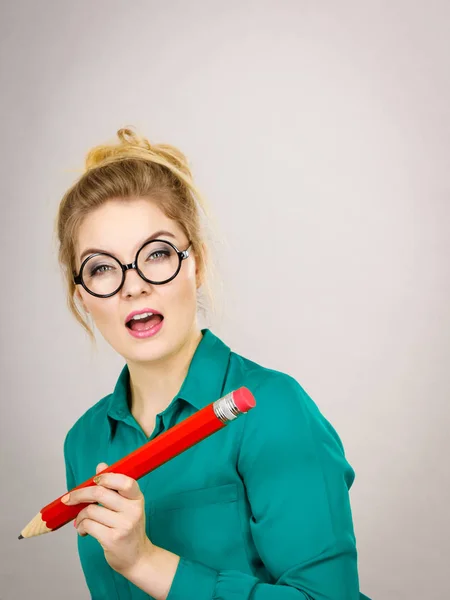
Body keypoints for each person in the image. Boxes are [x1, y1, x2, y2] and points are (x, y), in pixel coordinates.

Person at [57, 128, 371, 600]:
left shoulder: (272, 408)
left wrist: (147, 562)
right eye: (102, 267)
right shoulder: (84, 443)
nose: (132, 285)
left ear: (196, 263)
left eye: (157, 254)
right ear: (82, 295)